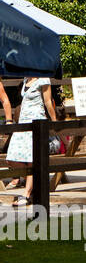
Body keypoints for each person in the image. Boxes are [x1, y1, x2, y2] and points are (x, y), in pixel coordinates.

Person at [7, 76, 52, 207]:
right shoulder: (26, 79)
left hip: (36, 121)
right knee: (12, 158)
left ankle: (27, 194)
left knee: (32, 160)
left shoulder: (44, 79)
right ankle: (35, 185)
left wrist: (54, 122)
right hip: (23, 122)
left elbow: (48, 101)